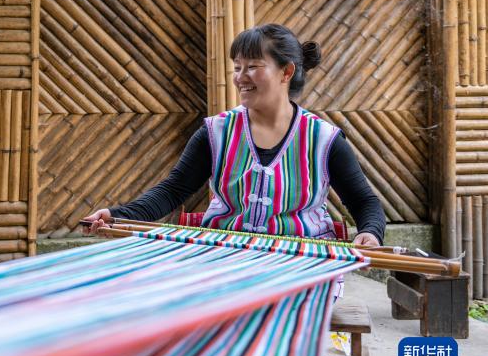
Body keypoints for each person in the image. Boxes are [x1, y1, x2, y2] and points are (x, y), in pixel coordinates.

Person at [83, 24, 385, 249]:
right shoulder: (216, 132)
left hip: (301, 264)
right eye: (238, 67)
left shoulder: (324, 139)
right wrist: (117, 215)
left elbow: (364, 201)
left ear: (286, 72)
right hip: (225, 257)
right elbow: (173, 191)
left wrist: (369, 232)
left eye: (253, 67)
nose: (240, 77)